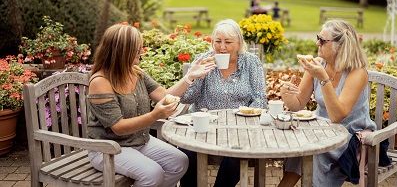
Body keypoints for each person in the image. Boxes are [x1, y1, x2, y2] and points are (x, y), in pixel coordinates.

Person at [87, 23, 216, 187]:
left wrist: (190, 77)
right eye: (137, 48)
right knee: (153, 174)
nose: (142, 52)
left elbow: (164, 95)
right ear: (121, 51)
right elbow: (118, 127)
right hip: (108, 148)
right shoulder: (100, 82)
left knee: (180, 162)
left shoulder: (135, 72)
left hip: (139, 141)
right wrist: (155, 115)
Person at [278, 20, 377, 187]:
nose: (317, 43)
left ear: (340, 46)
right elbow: (298, 104)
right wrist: (286, 95)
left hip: (351, 137)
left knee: (314, 151)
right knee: (297, 147)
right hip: (321, 130)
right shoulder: (318, 65)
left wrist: (323, 79)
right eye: (318, 37)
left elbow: (337, 116)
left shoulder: (357, 73)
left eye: (322, 40)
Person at [179, 19, 267, 187]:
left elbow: (260, 98)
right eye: (217, 41)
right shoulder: (204, 60)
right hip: (204, 128)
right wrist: (196, 77)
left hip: (239, 129)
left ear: (239, 43)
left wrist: (244, 116)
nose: (222, 47)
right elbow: (187, 98)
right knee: (187, 153)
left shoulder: (251, 62)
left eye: (228, 42)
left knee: (235, 155)